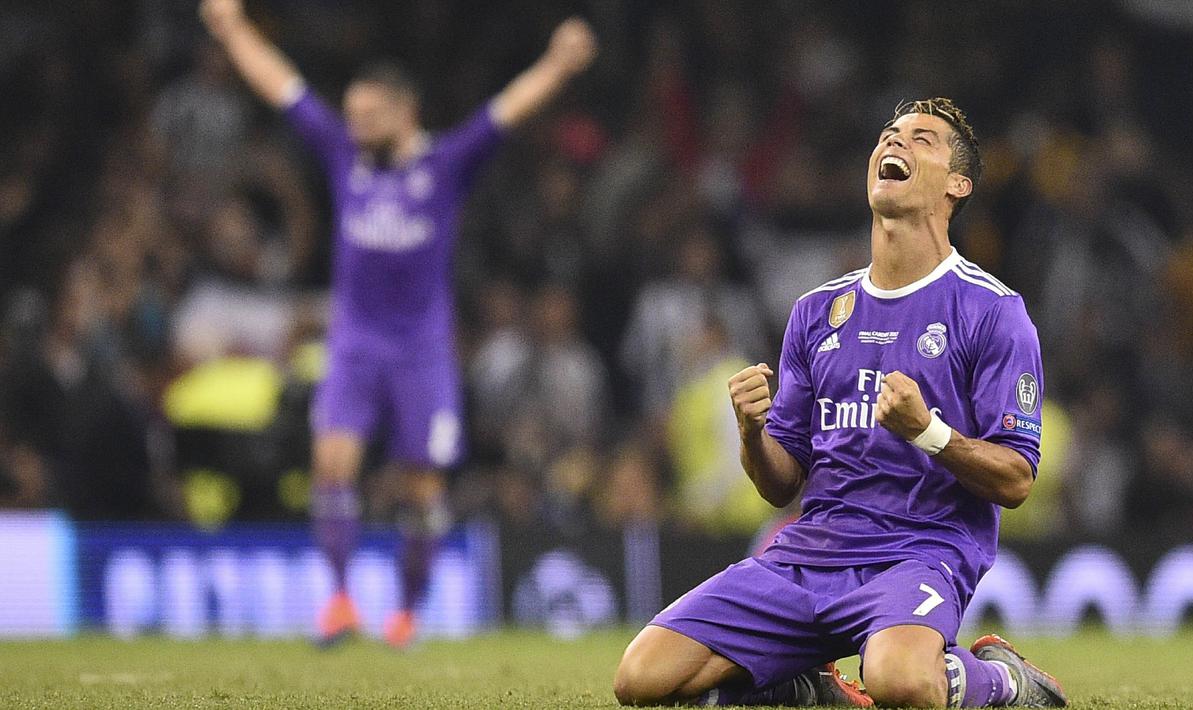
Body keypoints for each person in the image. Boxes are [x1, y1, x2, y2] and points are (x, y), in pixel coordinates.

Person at [614, 98, 1068, 708]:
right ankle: (805, 686)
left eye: (922, 139)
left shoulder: (992, 311)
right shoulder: (816, 312)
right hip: (811, 552)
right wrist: (753, 433)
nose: (895, 145)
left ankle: (1005, 680)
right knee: (640, 681)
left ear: (957, 185)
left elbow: (1016, 479)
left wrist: (928, 433)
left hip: (918, 552)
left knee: (902, 684)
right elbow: (781, 486)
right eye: (888, 135)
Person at [200, 0, 597, 647]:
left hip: (421, 350)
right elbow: (280, 84)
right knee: (330, 464)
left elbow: (508, 108)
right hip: (354, 342)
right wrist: (232, 26)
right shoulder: (340, 154)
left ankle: (407, 612)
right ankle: (337, 604)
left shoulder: (444, 165)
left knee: (422, 490)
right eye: (351, 116)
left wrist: (556, 63)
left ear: (402, 111)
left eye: (368, 116)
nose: (354, 126)